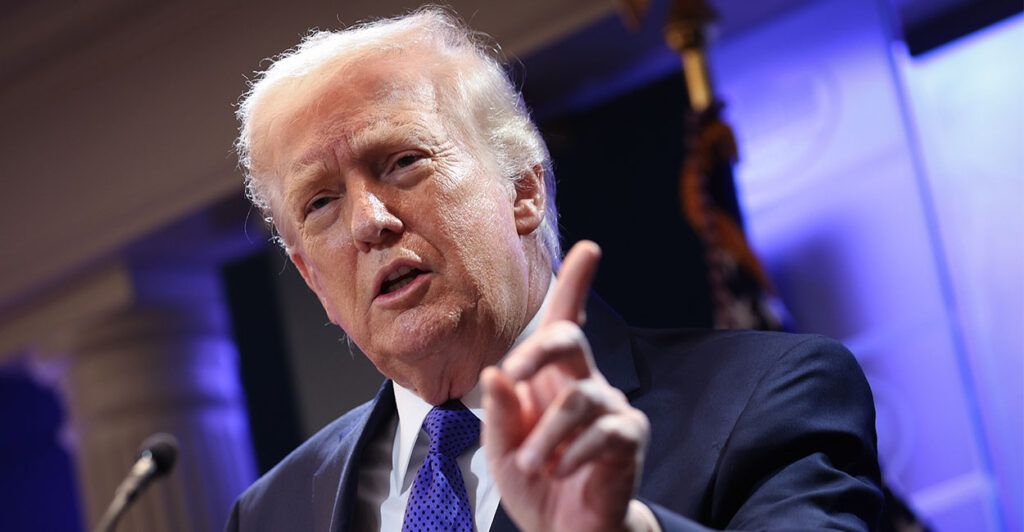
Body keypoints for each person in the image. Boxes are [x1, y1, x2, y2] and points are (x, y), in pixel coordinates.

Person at [226, 7, 883, 531]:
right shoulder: (268, 513)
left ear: (523, 190)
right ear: (313, 279)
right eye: (320, 203)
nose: (369, 220)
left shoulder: (768, 398)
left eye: (402, 162)